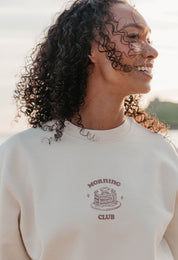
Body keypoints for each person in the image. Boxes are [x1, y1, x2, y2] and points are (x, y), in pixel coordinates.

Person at [0, 0, 178, 259]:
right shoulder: (19, 156)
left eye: (148, 39)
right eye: (133, 37)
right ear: (90, 48)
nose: (152, 51)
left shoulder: (162, 154)